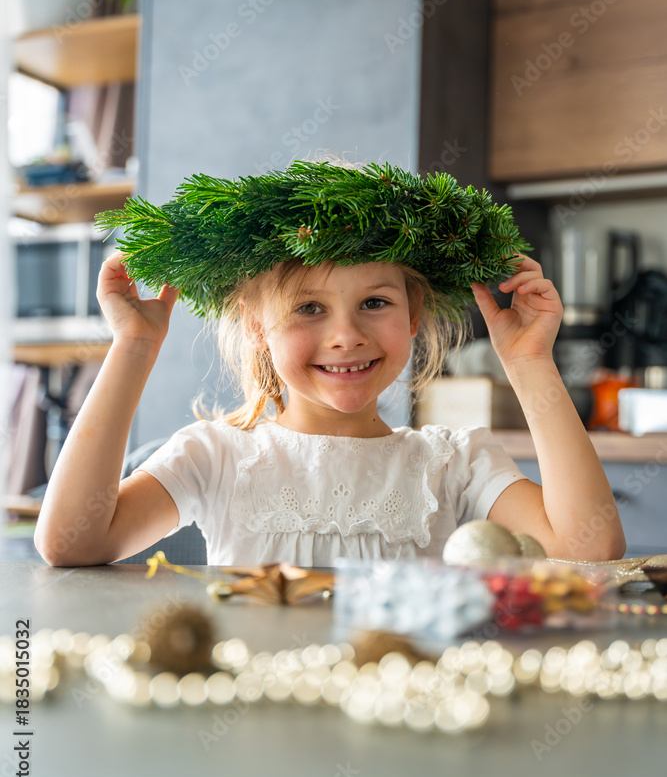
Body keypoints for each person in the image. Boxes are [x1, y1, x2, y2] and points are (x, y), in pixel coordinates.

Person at [34, 160, 625, 567]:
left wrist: (528, 362)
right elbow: (69, 541)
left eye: (375, 302)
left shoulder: (454, 463)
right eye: (309, 308)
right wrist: (133, 347)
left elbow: (589, 548)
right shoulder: (215, 456)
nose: (346, 335)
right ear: (256, 327)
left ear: (413, 313)